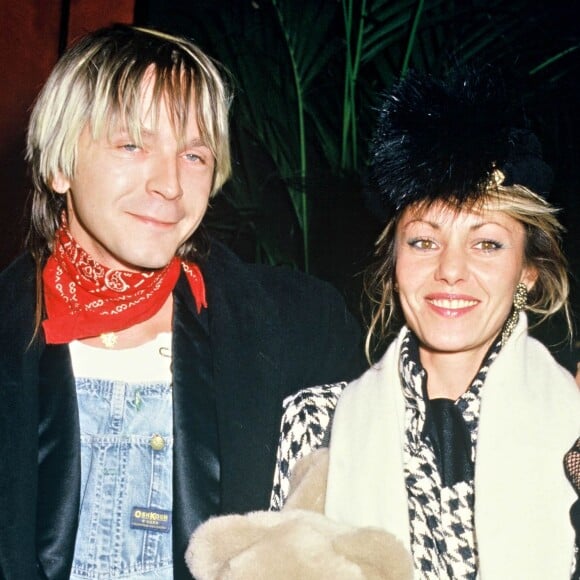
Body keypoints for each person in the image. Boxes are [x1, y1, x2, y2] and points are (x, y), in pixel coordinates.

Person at [0, 25, 366, 579]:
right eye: (132, 145)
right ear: (59, 166)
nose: (170, 184)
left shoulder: (299, 329)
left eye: (194, 155)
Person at [187, 68, 580, 579]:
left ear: (527, 270)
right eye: (423, 241)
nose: (451, 270)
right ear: (393, 266)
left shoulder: (570, 422)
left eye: (486, 243)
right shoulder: (318, 423)